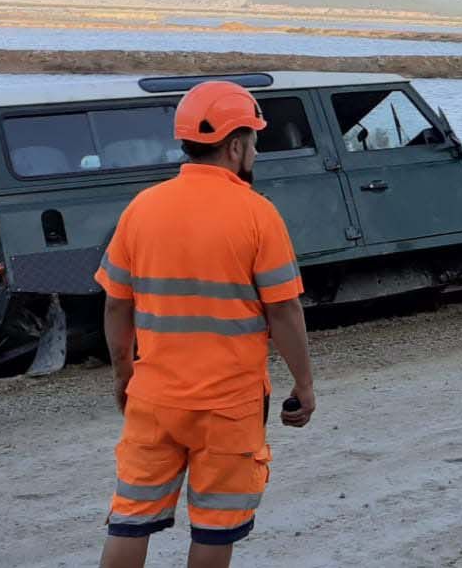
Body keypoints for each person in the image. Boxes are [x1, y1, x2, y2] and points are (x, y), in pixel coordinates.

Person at [96, 80, 316, 568]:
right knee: (215, 531)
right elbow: (283, 311)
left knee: (131, 518)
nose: (255, 151)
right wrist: (304, 382)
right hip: (229, 408)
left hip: (154, 400)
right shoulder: (259, 215)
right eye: (255, 141)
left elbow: (116, 305)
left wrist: (123, 376)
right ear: (235, 145)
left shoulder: (142, 208)